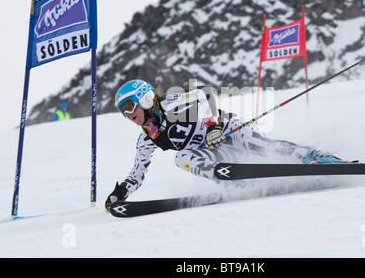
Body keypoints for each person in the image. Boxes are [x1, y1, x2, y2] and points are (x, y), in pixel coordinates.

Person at [105, 79, 349, 211]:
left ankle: (314, 156)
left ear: (145, 98)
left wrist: (212, 127)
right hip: (214, 153)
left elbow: (205, 93)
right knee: (181, 159)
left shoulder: (171, 105)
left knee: (260, 145)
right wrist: (121, 193)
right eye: (122, 112)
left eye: (129, 106)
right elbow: (138, 172)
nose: (127, 115)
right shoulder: (147, 138)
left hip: (229, 129)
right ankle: (231, 179)